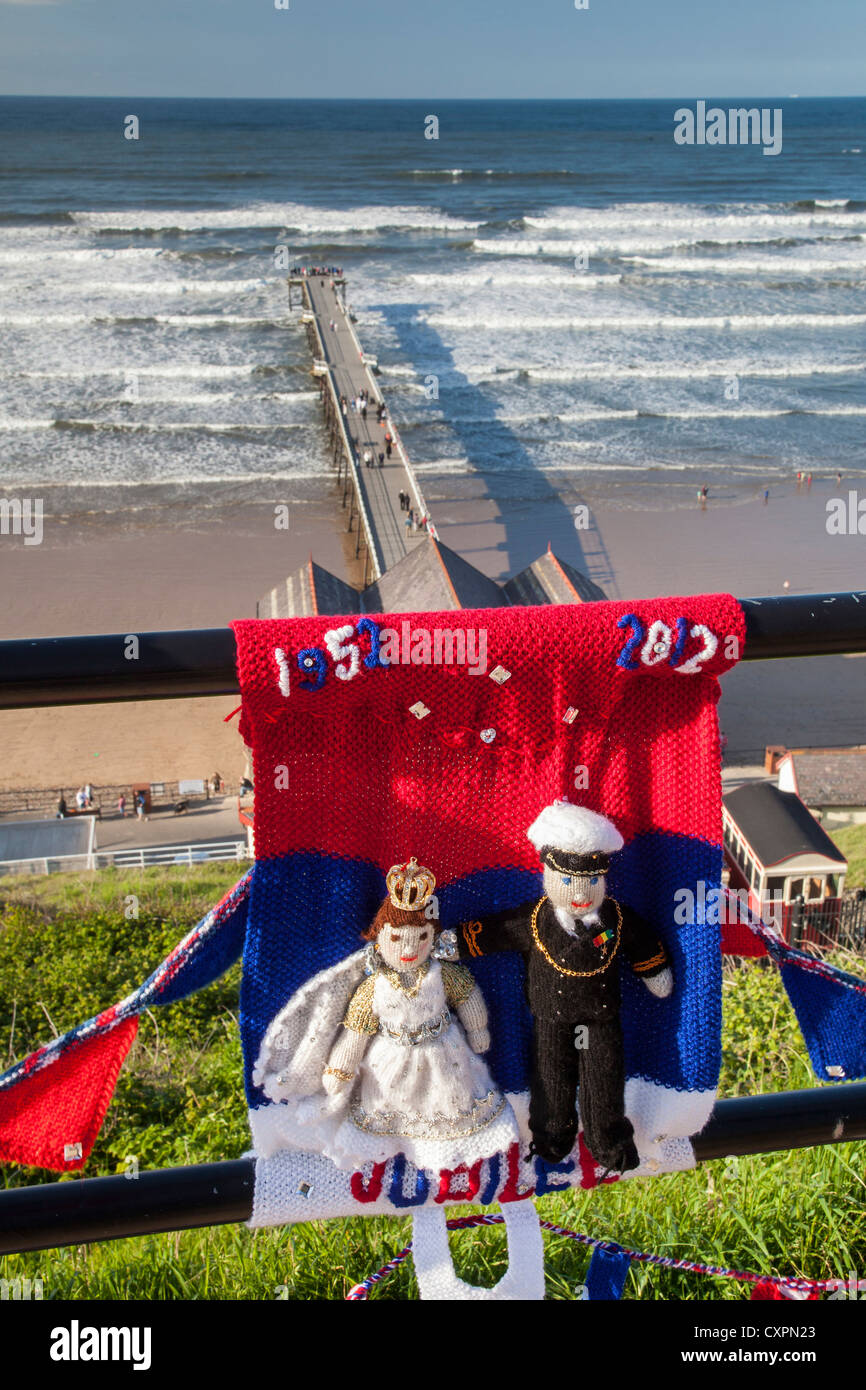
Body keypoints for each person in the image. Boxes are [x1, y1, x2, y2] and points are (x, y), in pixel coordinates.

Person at [251, 856, 519, 1174]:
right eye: (396, 938)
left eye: (421, 938)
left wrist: (478, 1030)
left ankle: (452, 1150)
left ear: (432, 937)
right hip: (390, 1058)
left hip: (444, 1051)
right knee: (389, 1101)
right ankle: (393, 1148)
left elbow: (467, 997)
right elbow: (356, 1032)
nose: (409, 948)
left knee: (452, 1098)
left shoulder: (443, 973)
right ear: (380, 937)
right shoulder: (373, 987)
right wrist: (341, 1066)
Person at [454, 801, 672, 1170]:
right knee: (550, 1080)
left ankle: (609, 1143)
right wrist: (451, 943)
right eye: (570, 880)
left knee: (603, 1080)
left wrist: (654, 972)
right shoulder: (533, 920)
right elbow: (494, 932)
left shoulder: (614, 920)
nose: (581, 892)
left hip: (600, 1020)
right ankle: (551, 1140)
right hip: (551, 1021)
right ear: (550, 874)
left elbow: (643, 943)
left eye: (591, 881)